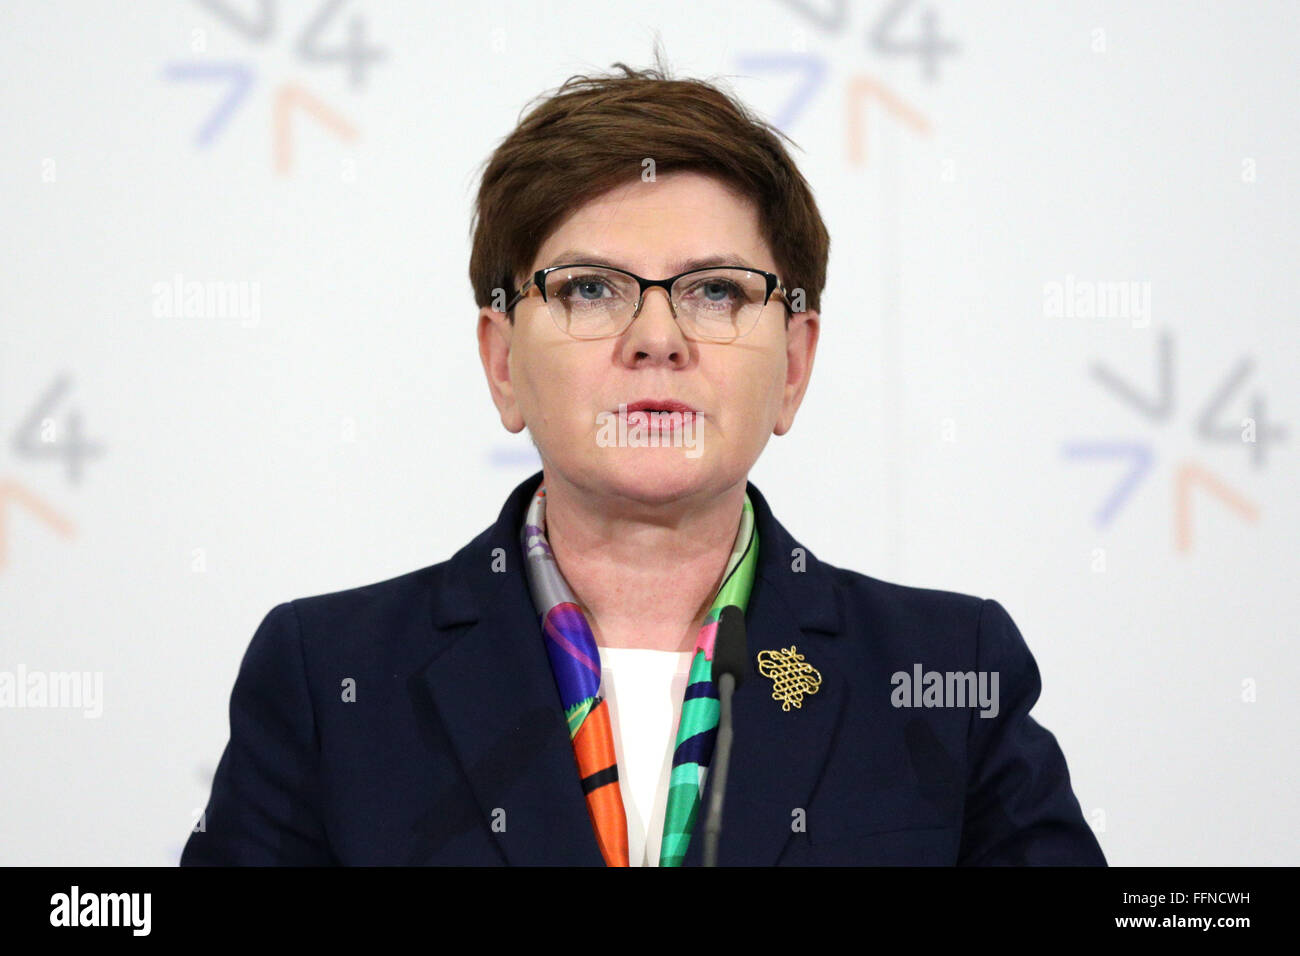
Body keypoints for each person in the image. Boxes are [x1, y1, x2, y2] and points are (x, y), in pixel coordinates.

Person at [181, 57, 1105, 867]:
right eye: (589, 289)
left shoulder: (948, 674)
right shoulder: (327, 679)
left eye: (714, 291)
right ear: (502, 362)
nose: (656, 337)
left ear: (795, 366)